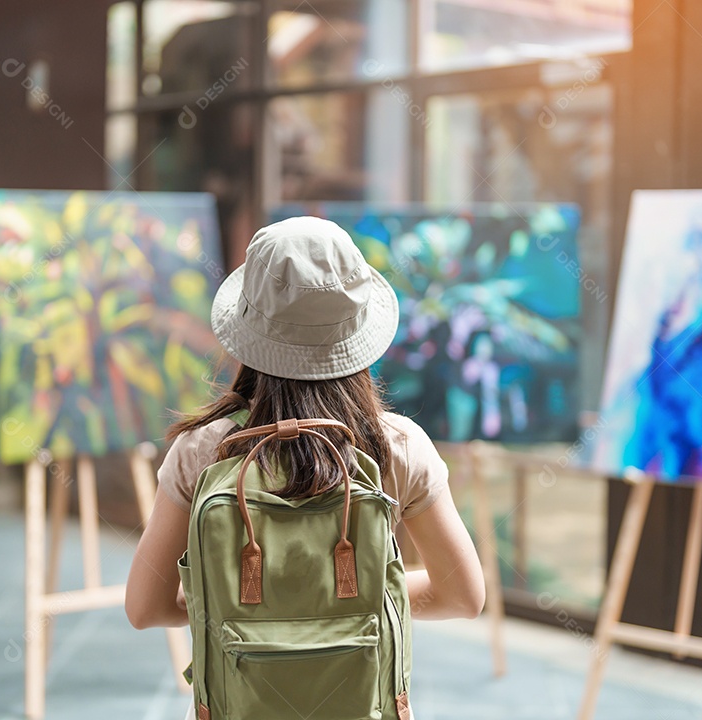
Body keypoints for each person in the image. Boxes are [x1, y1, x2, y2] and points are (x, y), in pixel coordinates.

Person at [126, 216, 486, 718]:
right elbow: (464, 596)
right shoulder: (396, 446)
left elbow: (145, 608)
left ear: (247, 330)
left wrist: (235, 608)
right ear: (356, 329)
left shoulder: (203, 449)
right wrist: (357, 604)